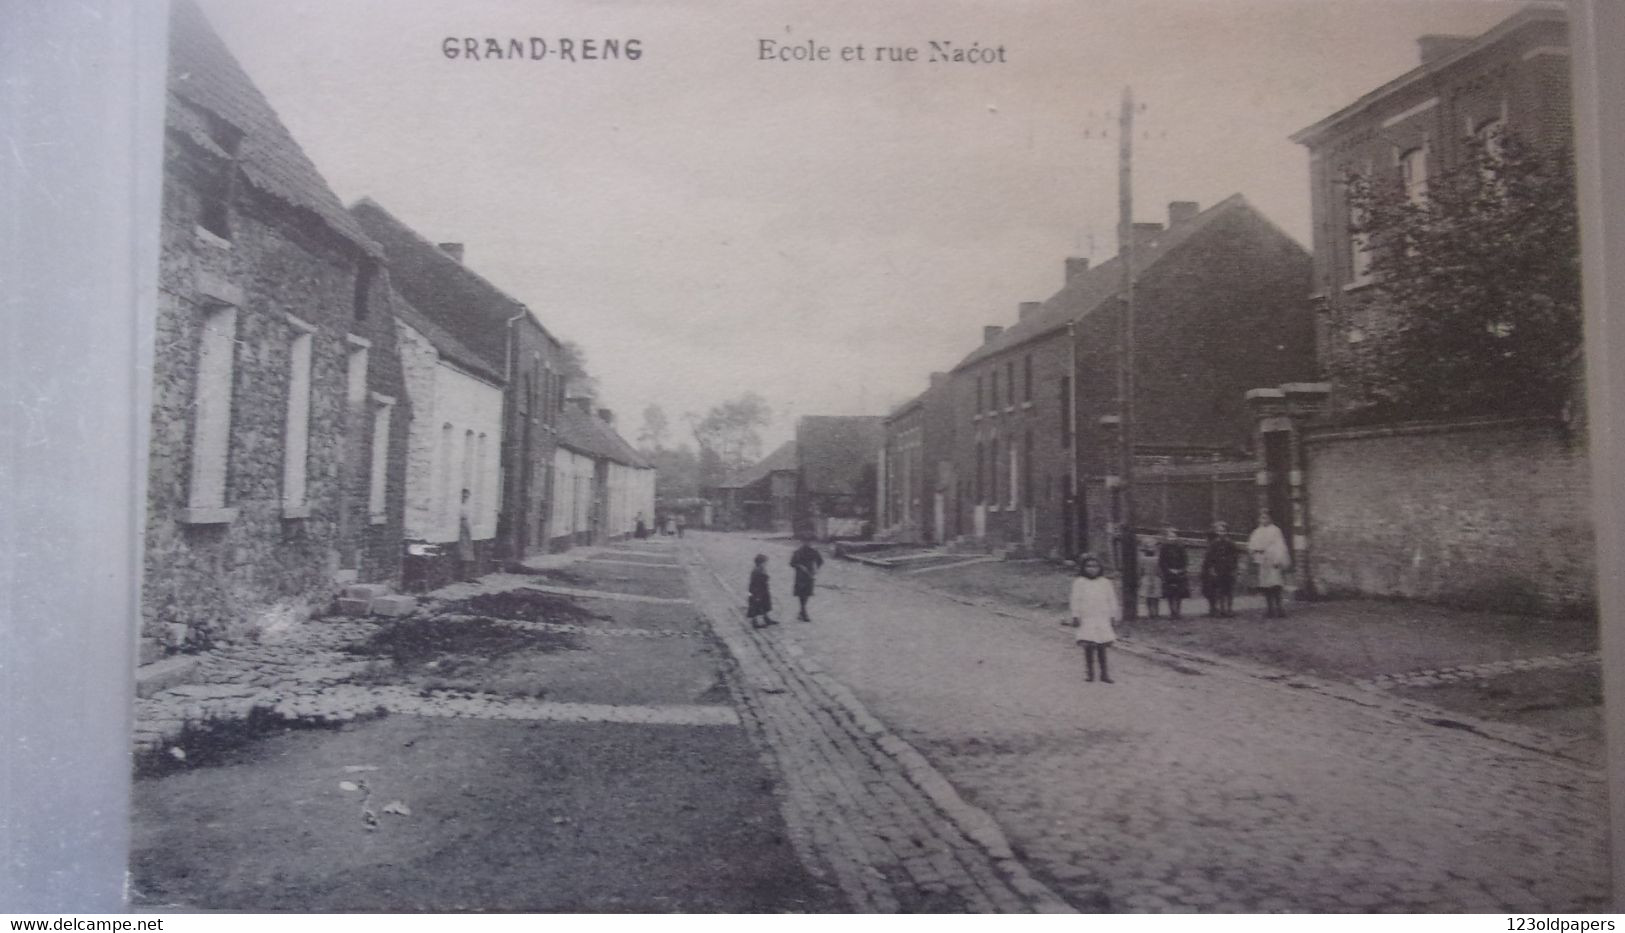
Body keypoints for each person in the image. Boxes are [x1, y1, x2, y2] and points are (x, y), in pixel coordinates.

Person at [1069, 554, 1119, 684]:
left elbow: (1111, 599)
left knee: (1102, 645)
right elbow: (1075, 599)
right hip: (1087, 617)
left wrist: (1113, 615)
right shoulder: (1080, 582)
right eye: (1089, 566)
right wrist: (1075, 615)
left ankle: (1104, 674)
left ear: (1100, 568)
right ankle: (1090, 673)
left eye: (1095, 566)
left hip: (1102, 616)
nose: (1092, 569)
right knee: (1089, 645)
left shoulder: (1105, 582)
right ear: (1083, 568)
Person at [1248, 511, 1291, 618]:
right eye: (1262, 518)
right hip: (1263, 562)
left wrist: (1278, 559)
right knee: (1266, 586)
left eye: (1266, 518)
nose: (1264, 520)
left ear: (1270, 519)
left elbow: (1280, 546)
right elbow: (1252, 545)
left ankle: (1280, 608)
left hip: (1273, 560)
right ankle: (1270, 609)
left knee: (1276, 585)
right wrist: (1255, 552)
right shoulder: (1257, 531)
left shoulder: (1275, 530)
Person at [1200, 521, 1240, 618]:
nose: (1222, 533)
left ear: (1227, 532)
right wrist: (1212, 569)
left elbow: (1235, 557)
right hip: (1218, 570)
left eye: (1223, 531)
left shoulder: (1231, 544)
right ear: (1217, 532)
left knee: (1229, 590)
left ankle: (1229, 609)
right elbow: (1210, 557)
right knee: (1220, 590)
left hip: (1228, 569)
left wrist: (1233, 568)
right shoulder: (1214, 544)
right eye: (1220, 531)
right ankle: (1221, 609)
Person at [1158, 526, 1190, 620]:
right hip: (1168, 573)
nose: (1172, 539)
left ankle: (1178, 611)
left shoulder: (1181, 548)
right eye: (1170, 537)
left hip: (1180, 572)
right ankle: (1172, 612)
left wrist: (1181, 570)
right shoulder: (1164, 548)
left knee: (1179, 593)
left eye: (1174, 537)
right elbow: (1161, 561)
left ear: (1177, 538)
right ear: (1167, 538)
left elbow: (1185, 560)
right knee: (1170, 593)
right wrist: (1168, 570)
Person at [790, 538, 825, 621]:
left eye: (809, 541)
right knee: (801, 593)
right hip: (800, 576)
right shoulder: (798, 552)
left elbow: (820, 561)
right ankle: (804, 612)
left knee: (807, 593)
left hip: (810, 575)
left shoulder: (814, 552)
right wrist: (800, 566)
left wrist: (816, 568)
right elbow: (792, 563)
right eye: (806, 541)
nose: (808, 543)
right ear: (802, 542)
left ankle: (802, 611)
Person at [746, 554, 778, 628]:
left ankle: (766, 618)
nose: (766, 564)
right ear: (760, 563)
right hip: (757, 591)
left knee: (765, 604)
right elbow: (757, 582)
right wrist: (757, 594)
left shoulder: (761, 569)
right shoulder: (757, 570)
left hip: (762, 590)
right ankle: (755, 622)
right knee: (755, 605)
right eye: (765, 562)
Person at [1137, 538, 1162, 618]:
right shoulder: (1157, 559)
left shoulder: (1143, 559)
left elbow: (1140, 570)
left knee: (1149, 597)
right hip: (1155, 578)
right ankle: (1156, 612)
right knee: (1155, 597)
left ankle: (1151, 612)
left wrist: (1140, 577)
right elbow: (1159, 570)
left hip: (1147, 578)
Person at [457, 488, 477, 582]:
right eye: (464, 496)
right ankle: (463, 575)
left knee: (468, 550)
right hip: (461, 527)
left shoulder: (466, 506)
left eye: (467, 496)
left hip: (466, 528)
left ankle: (467, 575)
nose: (465, 498)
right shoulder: (459, 506)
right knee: (463, 550)